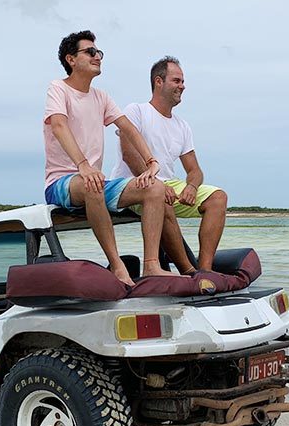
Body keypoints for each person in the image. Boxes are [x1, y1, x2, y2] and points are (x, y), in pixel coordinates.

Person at [44, 31, 178, 286]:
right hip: (62, 182)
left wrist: (151, 162)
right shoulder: (58, 88)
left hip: (94, 180)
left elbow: (128, 128)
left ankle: (151, 265)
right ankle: (117, 266)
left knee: (155, 188)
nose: (98, 57)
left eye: (99, 52)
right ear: (71, 59)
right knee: (92, 183)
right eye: (90, 52)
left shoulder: (101, 96)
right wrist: (83, 166)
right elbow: (59, 126)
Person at [112, 56, 228, 273]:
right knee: (158, 196)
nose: (182, 86)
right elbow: (129, 154)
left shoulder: (182, 126)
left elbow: (194, 170)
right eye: (177, 81)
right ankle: (188, 271)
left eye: (183, 81)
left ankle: (205, 271)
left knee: (218, 198)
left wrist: (191, 187)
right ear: (158, 81)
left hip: (169, 184)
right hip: (135, 184)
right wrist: (157, 184)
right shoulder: (136, 111)